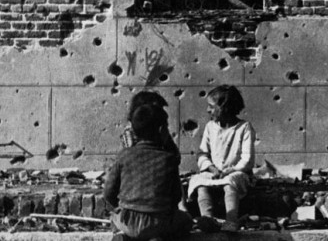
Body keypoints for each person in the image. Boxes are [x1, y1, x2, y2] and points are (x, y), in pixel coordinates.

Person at [104, 103, 192, 241]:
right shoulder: (169, 158)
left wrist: (119, 207)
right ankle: (157, 237)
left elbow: (109, 192)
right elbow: (176, 195)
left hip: (128, 221)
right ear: (162, 130)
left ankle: (121, 234)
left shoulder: (124, 155)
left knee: (114, 217)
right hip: (159, 222)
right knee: (186, 221)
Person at [188, 85, 256, 232]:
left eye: (211, 107)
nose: (208, 110)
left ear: (225, 108)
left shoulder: (244, 127)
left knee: (230, 183)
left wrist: (230, 170)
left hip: (236, 172)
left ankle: (231, 221)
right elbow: (202, 153)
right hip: (214, 172)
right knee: (198, 182)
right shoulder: (210, 127)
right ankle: (207, 219)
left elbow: (247, 159)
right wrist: (212, 168)